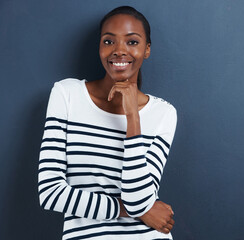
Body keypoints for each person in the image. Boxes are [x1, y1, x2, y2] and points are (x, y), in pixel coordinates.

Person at [38, 6, 177, 240]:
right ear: (100, 48)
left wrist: (133, 117)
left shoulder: (163, 113)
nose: (119, 51)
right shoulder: (67, 94)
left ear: (147, 50)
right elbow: (50, 193)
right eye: (109, 41)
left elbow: (138, 198)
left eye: (132, 42)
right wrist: (143, 212)